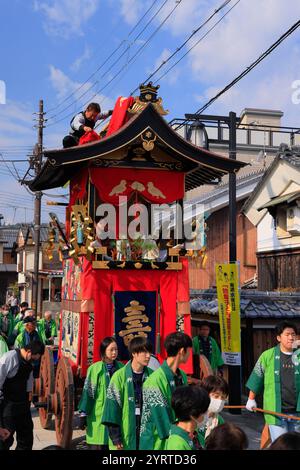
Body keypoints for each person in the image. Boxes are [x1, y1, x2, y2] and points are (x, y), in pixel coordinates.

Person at [246, 321, 300, 442]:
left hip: (297, 413)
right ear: (278, 337)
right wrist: (251, 399)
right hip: (276, 413)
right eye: (287, 334)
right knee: (282, 445)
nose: (291, 337)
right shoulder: (267, 355)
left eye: (293, 334)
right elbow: (257, 376)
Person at [139, 331, 192, 450]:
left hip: (176, 436)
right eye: (189, 351)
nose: (190, 355)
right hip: (156, 441)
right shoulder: (154, 380)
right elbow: (161, 418)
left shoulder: (182, 375)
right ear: (182, 351)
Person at [101, 336, 153, 450]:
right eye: (144, 352)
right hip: (125, 439)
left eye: (149, 352)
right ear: (134, 353)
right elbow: (111, 409)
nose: (148, 356)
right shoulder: (119, 377)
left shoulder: (153, 376)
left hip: (148, 439)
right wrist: (115, 437)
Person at [78, 337, 124, 450]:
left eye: (116, 350)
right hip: (97, 415)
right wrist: (83, 414)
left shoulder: (121, 368)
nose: (114, 353)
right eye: (111, 350)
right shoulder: (94, 369)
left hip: (116, 415)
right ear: (104, 351)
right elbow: (88, 393)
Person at [0, 340, 45, 450]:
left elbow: (29, 382)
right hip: (8, 406)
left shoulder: (29, 362)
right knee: (6, 439)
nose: (35, 361)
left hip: (23, 406)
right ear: (28, 351)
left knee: (26, 439)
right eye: (34, 358)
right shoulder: (9, 358)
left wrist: (29, 398)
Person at [165, 385, 210, 450]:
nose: (207, 414)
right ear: (193, 413)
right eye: (205, 410)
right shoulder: (176, 444)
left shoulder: (195, 435)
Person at [198, 374, 229, 447]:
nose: (220, 400)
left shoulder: (219, 420)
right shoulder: (194, 416)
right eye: (216, 396)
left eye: (223, 397)